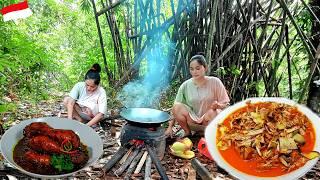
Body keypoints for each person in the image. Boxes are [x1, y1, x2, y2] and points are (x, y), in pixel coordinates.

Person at [165, 55, 230, 138]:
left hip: (210, 120)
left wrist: (218, 106)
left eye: (198, 68)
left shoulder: (215, 82)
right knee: (177, 106)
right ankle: (187, 132)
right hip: (193, 122)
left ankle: (211, 135)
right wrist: (170, 127)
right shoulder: (185, 85)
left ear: (205, 68)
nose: (194, 72)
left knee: (214, 112)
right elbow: (175, 109)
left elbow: (226, 104)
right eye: (191, 69)